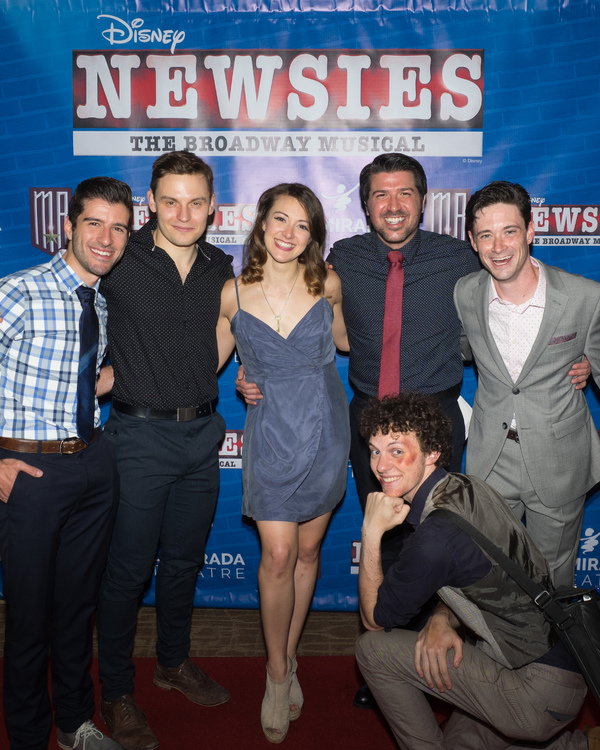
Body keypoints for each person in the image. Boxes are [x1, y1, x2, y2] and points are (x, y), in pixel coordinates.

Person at [355, 392, 594, 749]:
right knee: (460, 739)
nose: (381, 465)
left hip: (536, 689)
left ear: (432, 452)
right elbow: (481, 577)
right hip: (564, 670)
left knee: (372, 649)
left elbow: (375, 620)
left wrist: (370, 532)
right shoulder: (467, 487)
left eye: (397, 450)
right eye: (374, 450)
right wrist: (440, 616)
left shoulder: (434, 538)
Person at [95, 151, 233, 750]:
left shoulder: (221, 265)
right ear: (150, 202)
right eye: (170, 200)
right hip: (137, 438)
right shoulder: (119, 256)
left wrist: (205, 375)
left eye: (195, 202)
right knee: (126, 573)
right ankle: (117, 691)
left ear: (212, 207)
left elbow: (227, 332)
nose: (183, 213)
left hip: (203, 436)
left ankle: (171, 663)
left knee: (183, 563)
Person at [0, 177, 132, 750]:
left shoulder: (99, 302)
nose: (107, 238)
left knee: (79, 608)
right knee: (29, 616)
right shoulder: (19, 292)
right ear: (68, 227)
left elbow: (85, 378)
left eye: (119, 227)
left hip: (93, 468)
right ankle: (28, 736)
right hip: (30, 475)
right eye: (95, 224)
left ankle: (75, 722)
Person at [216, 183, 350, 743]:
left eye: (302, 224)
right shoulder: (232, 294)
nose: (289, 233)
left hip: (324, 427)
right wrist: (245, 379)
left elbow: (345, 346)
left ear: (314, 235)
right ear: (260, 224)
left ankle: (290, 657)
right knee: (277, 554)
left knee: (309, 552)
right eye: (279, 220)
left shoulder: (329, 283)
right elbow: (204, 364)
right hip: (270, 431)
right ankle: (275, 674)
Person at [455, 180, 600, 587]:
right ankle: (493, 651)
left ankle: (555, 653)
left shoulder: (584, 297)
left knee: (553, 581)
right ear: (472, 241)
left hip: (560, 461)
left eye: (509, 231)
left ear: (531, 231)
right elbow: (463, 351)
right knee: (489, 577)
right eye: (486, 235)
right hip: (491, 459)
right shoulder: (465, 293)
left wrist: (585, 360)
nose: (498, 246)